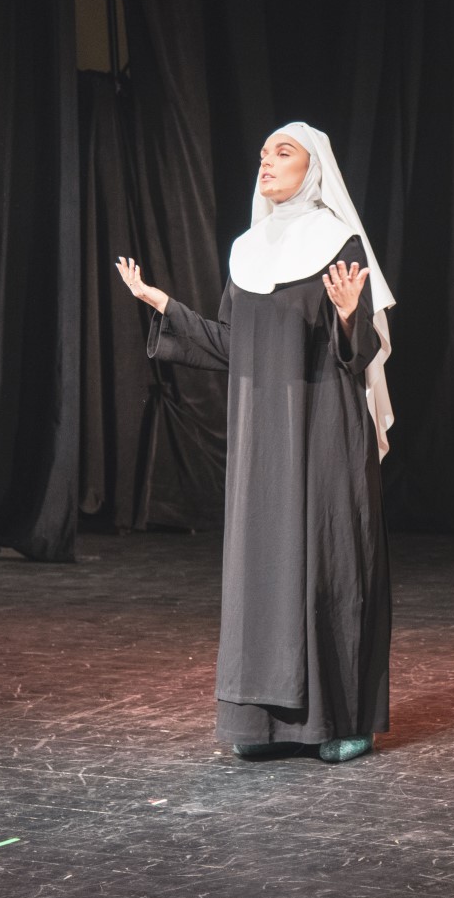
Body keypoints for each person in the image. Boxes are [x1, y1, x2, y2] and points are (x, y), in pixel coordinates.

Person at [114, 122, 395, 764]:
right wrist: (163, 304)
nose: (266, 161)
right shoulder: (248, 250)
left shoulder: (338, 241)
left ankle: (345, 719)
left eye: (283, 151)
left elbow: (364, 353)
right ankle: (266, 722)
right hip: (262, 437)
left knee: (328, 565)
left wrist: (348, 315)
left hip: (325, 428)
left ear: (313, 168)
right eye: (263, 152)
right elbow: (228, 343)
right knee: (264, 569)